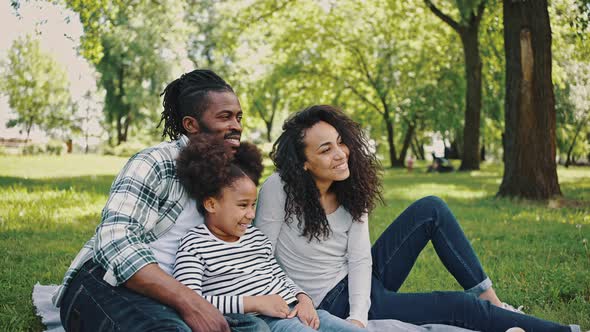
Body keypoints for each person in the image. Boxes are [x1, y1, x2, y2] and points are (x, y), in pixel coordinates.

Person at [255, 105, 581, 332]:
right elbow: (258, 256)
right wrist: (350, 318)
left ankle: (491, 299)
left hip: (358, 283)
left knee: (431, 208)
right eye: (325, 150)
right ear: (303, 164)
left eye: (340, 142)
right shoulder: (278, 188)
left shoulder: (350, 187)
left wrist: (359, 313)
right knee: (457, 307)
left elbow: (358, 259)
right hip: (327, 300)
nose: (340, 153)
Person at [53, 69, 269, 332]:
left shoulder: (233, 177)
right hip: (107, 283)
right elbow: (115, 240)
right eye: (225, 117)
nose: (236, 126)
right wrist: (189, 301)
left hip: (181, 295)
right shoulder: (155, 162)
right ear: (191, 124)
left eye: (238, 117)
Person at [173, 134, 366, 332]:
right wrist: (254, 303)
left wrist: (303, 298)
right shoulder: (194, 244)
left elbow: (278, 276)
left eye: (253, 205)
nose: (251, 214)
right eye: (242, 206)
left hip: (294, 309)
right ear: (211, 204)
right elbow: (192, 302)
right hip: (261, 321)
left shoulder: (255, 238)